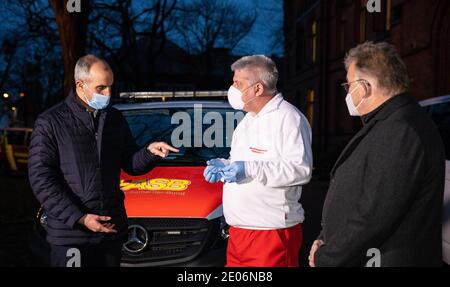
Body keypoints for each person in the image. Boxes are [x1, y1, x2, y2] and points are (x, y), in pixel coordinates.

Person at [28, 54, 178, 267]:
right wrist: (80, 218)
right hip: (72, 236)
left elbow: (130, 163)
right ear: (80, 85)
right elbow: (40, 178)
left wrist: (149, 152)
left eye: (110, 87)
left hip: (110, 232)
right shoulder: (51, 122)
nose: (108, 94)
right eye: (101, 88)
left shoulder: (114, 119)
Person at [308, 42, 445, 267]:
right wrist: (324, 238)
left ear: (364, 86)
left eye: (348, 85)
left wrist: (327, 257)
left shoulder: (401, 129)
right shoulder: (389, 122)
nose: (348, 92)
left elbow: (375, 215)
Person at [204, 55, 313, 267]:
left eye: (238, 83)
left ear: (258, 89)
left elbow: (300, 170)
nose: (232, 88)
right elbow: (247, 162)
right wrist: (224, 166)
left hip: (271, 233)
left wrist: (249, 169)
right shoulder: (248, 121)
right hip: (239, 233)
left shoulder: (289, 118)